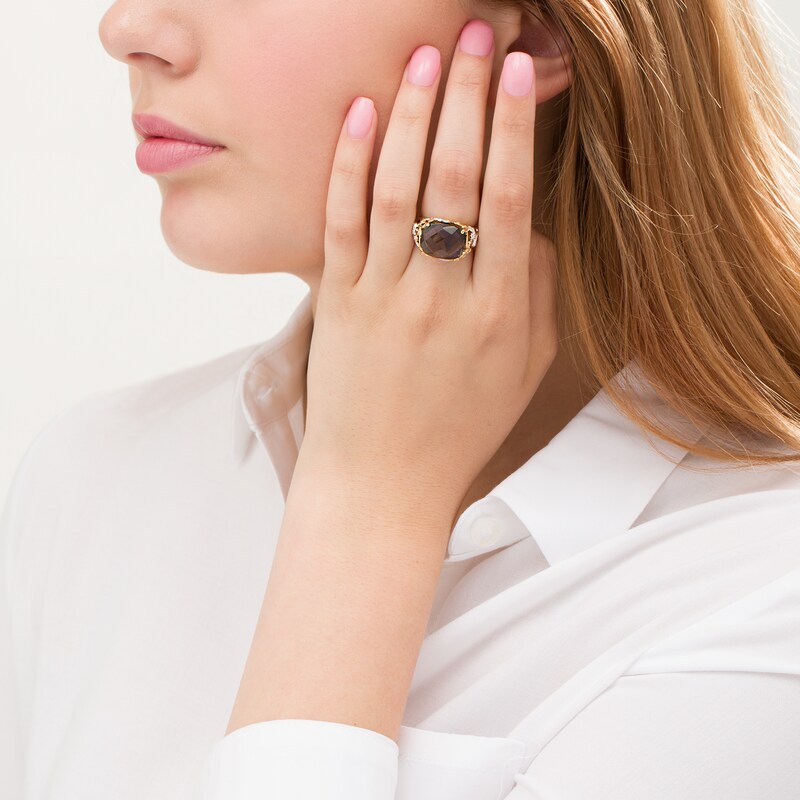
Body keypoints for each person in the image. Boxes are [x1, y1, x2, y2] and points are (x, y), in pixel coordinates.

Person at [2, 0, 800, 797]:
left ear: (544, 32)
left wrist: (366, 507)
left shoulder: (765, 590)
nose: (128, 29)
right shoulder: (94, 477)